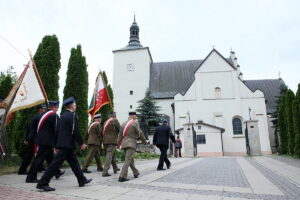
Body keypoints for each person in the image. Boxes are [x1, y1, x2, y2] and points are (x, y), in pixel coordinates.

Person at [36, 97, 92, 191]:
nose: (75, 106)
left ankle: (82, 179)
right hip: (67, 144)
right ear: (72, 105)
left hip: (64, 144)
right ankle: (43, 183)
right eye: (75, 104)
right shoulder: (72, 115)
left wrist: (57, 145)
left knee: (74, 163)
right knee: (55, 164)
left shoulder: (62, 115)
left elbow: (58, 131)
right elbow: (75, 131)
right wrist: (81, 143)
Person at [26, 101, 64, 183]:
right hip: (47, 141)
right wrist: (58, 143)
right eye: (57, 107)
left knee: (49, 158)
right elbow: (57, 130)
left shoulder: (43, 114)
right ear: (53, 107)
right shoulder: (54, 115)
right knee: (38, 159)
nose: (57, 109)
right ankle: (31, 177)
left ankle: (56, 172)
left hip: (41, 139)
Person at [117, 111, 147, 182]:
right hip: (131, 143)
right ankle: (122, 176)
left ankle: (135, 172)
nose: (136, 118)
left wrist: (118, 144)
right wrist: (144, 141)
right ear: (132, 116)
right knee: (127, 160)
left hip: (124, 144)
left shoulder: (123, 123)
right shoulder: (135, 122)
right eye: (135, 116)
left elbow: (120, 135)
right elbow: (139, 132)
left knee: (130, 159)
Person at [18, 104, 46, 175]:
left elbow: (29, 128)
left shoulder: (36, 117)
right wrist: (28, 138)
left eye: (45, 109)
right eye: (43, 109)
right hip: (34, 139)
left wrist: (27, 138)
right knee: (29, 156)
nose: (44, 110)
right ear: (39, 110)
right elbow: (33, 129)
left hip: (33, 138)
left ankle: (40, 167)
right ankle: (22, 170)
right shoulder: (38, 117)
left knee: (39, 154)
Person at [102, 111, 120, 177]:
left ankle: (115, 168)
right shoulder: (115, 120)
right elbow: (119, 130)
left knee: (110, 155)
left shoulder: (105, 122)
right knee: (109, 155)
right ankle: (105, 171)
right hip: (112, 141)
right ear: (114, 115)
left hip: (105, 141)